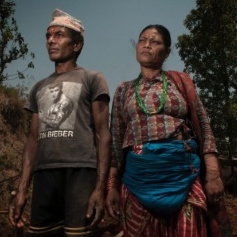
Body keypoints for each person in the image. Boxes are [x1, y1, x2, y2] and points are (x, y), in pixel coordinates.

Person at [105, 24, 232, 237]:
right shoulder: (123, 90)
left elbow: (204, 126)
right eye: (142, 40)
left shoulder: (179, 81)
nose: (147, 45)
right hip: (139, 179)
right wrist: (111, 186)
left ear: (167, 51)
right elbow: (116, 142)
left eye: (155, 41)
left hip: (183, 175)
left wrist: (212, 175)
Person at [9, 9, 111, 237]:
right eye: (48, 35)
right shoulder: (38, 87)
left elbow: (103, 135)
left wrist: (99, 188)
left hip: (81, 172)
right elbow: (32, 140)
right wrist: (22, 189)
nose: (51, 41)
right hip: (45, 174)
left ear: (76, 45)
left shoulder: (92, 79)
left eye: (59, 35)